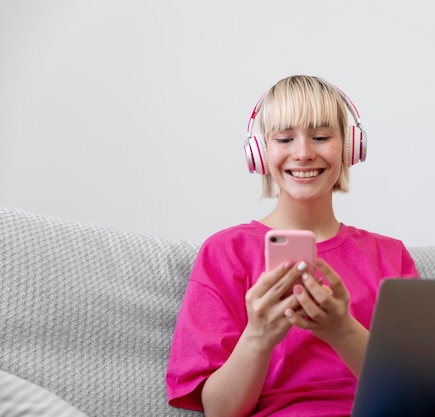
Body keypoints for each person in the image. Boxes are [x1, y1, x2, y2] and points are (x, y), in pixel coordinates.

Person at [166, 74, 419, 417]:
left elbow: (414, 395)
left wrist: (342, 331)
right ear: (260, 153)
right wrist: (259, 335)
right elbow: (220, 412)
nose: (303, 153)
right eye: (284, 138)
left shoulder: (390, 256)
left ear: (350, 147)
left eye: (320, 137)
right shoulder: (225, 253)